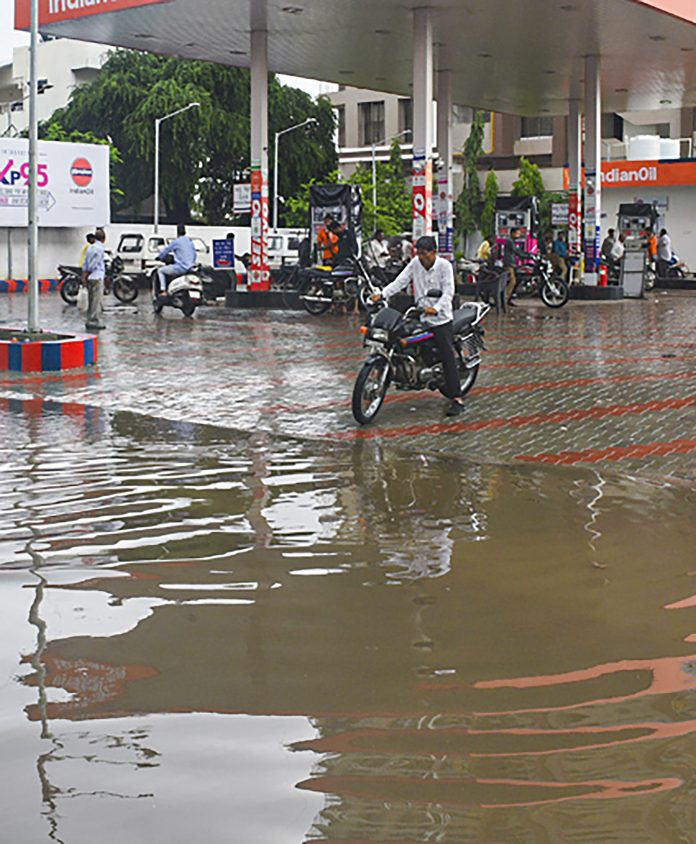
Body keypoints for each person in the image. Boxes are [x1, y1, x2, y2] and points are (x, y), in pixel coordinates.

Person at [372, 235, 466, 417]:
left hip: (440, 319)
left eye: (424, 254)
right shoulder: (415, 263)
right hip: (421, 315)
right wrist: (382, 294)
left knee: (447, 356)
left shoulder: (444, 266)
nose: (421, 257)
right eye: (419, 253)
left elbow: (448, 292)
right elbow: (401, 281)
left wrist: (436, 308)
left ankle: (457, 398)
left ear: (434, 252)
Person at [156, 224, 197, 299]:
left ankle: (163, 290)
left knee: (160, 271)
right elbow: (194, 254)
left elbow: (166, 251)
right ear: (185, 232)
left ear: (177, 232)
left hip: (181, 267)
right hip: (191, 267)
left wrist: (159, 257)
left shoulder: (176, 242)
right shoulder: (190, 242)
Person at [82, 227, 106, 330]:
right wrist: (90, 270)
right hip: (97, 276)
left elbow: (85, 262)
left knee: (91, 299)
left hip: (90, 277)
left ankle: (89, 318)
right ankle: (94, 320)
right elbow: (94, 263)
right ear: (104, 238)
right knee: (96, 300)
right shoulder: (100, 248)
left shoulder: (90, 247)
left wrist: (85, 274)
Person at [502, 227, 527, 307]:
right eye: (517, 233)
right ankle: (505, 299)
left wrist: (528, 255)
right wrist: (527, 256)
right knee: (512, 281)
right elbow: (516, 251)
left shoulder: (512, 241)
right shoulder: (509, 241)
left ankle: (509, 299)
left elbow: (518, 251)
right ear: (512, 233)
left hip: (513, 264)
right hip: (509, 264)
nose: (518, 235)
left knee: (518, 279)